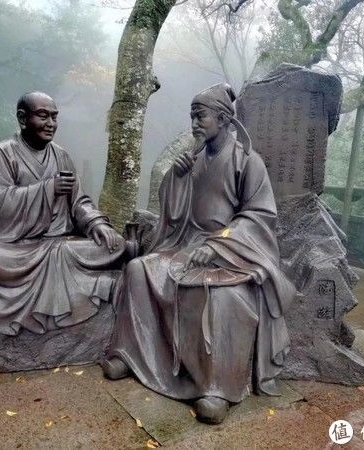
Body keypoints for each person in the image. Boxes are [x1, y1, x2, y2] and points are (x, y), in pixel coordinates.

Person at [102, 84, 295, 424]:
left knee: (221, 298)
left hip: (231, 254)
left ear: (223, 119)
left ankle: (217, 388)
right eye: (192, 116)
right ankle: (131, 355)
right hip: (186, 245)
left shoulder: (247, 162)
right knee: (138, 270)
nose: (194, 123)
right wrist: (176, 180)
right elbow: (175, 217)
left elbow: (259, 217)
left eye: (200, 116)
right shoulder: (193, 160)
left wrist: (218, 243)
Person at [0, 92, 125, 335]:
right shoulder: (2, 153)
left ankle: (124, 249)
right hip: (17, 248)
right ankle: (104, 268)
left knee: (110, 245)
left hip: (61, 244)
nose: (51, 124)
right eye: (43, 116)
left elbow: (79, 202)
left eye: (55, 117)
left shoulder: (61, 156)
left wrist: (98, 224)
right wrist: (47, 188)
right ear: (23, 119)